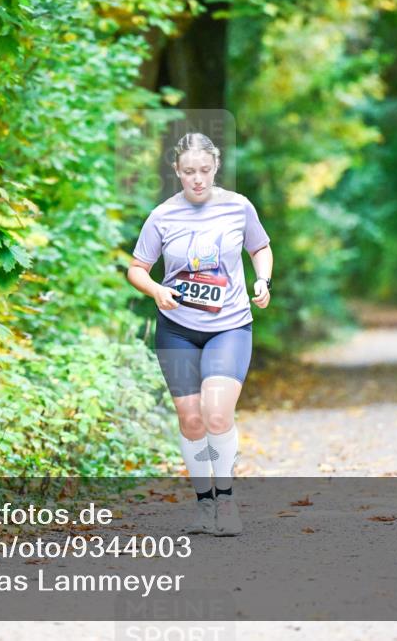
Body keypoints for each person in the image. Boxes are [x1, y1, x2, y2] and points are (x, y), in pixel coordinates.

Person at [126, 132, 273, 537]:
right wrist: (156, 289)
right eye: (189, 171)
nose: (197, 179)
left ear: (216, 167)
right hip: (176, 329)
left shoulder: (238, 207)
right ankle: (204, 505)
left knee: (217, 413)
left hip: (229, 325)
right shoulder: (162, 216)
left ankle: (226, 501)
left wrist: (263, 280)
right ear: (176, 170)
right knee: (191, 420)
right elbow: (137, 268)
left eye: (204, 170)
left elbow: (260, 248)